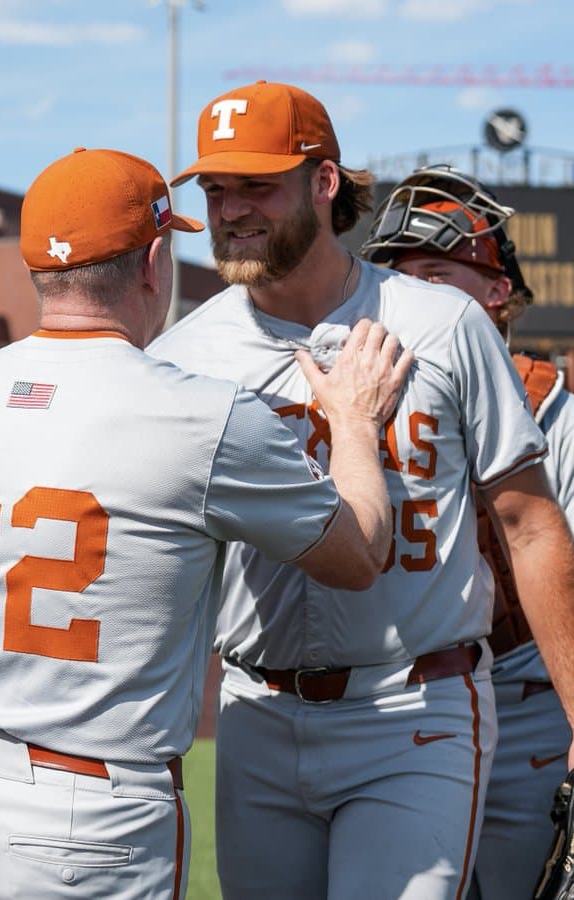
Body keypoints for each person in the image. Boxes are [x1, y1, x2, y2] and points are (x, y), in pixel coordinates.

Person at [0, 81, 574, 899]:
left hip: (415, 705)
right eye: (215, 189)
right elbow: (103, 531)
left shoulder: (441, 323)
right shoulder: (185, 355)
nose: (231, 210)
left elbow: (530, 522)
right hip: (256, 710)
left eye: (257, 184)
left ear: (324, 182)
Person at [0, 145, 412, 900]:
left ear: (39, 270)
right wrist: (356, 425)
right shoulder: (202, 415)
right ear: (154, 261)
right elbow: (360, 555)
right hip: (86, 811)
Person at [359, 163, 574, 900]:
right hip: (388, 710)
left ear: (497, 293)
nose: (411, 296)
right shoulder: (347, 403)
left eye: (434, 274)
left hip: (527, 712)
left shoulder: (556, 414)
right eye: (395, 278)